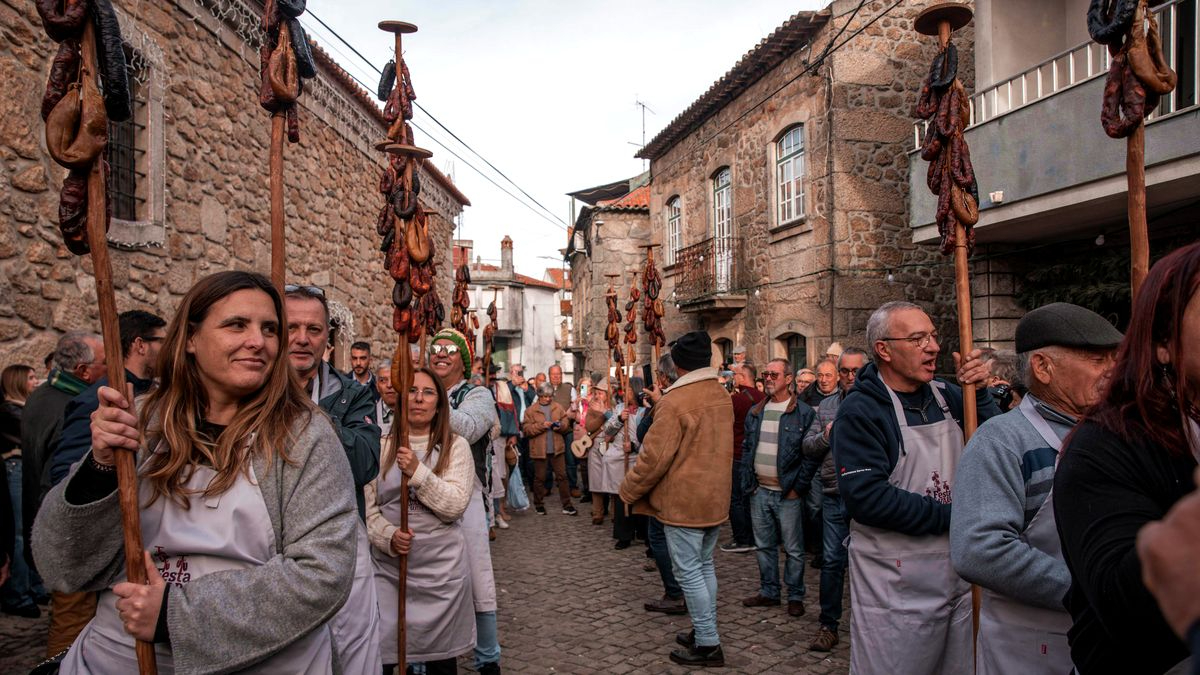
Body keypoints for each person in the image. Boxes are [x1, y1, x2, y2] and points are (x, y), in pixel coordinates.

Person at [32, 270, 357, 672]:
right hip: (121, 657)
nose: (259, 341)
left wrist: (175, 614)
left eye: (269, 328)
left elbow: (322, 575)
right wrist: (100, 465)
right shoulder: (142, 423)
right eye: (237, 324)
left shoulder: (304, 436)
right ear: (189, 338)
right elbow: (63, 565)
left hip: (261, 661)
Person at [950, 303, 1121, 674]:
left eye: (1115, 358)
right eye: (1097, 359)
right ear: (1043, 367)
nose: (1112, 370)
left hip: (1107, 640)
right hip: (1031, 645)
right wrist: (1090, 591)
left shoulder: (1118, 434)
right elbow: (979, 550)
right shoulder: (1001, 441)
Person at [1053, 243, 1200, 675]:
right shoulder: (1105, 446)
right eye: (1091, 359)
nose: (1102, 367)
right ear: (1162, 345)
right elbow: (1128, 612)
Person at [832, 300, 1000, 675]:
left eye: (933, 336)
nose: (934, 346)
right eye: (918, 338)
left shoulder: (949, 397)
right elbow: (867, 498)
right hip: (895, 585)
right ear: (884, 350)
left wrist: (981, 395)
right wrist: (957, 517)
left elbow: (996, 446)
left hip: (958, 578)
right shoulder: (861, 411)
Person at [620, 331, 733, 667]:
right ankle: (703, 631)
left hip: (684, 500)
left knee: (689, 574)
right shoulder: (719, 393)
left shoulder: (676, 401)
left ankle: (708, 642)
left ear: (679, 364)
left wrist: (628, 490)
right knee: (704, 567)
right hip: (712, 497)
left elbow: (654, 458)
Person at [285, 284, 382, 674]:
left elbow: (364, 463)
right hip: (274, 542)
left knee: (353, 651)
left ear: (328, 337)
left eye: (314, 329)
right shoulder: (249, 391)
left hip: (342, 537)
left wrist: (309, 415)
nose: (302, 339)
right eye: (291, 327)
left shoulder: (352, 395)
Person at [367, 367, 476, 675]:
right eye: (412, 391)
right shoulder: (381, 444)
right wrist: (387, 536)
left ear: (440, 404)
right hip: (390, 571)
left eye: (428, 392)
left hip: (440, 573)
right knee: (387, 654)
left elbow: (454, 505)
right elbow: (366, 508)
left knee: (441, 661)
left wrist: (417, 472)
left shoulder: (456, 447)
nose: (419, 398)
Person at [21, 330, 105, 654]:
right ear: (84, 372)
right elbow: (58, 477)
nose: (109, 368)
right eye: (104, 362)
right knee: (72, 620)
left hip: (48, 521)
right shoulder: (75, 407)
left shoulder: (41, 396)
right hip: (69, 532)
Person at [428, 328, 503, 675]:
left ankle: (487, 657)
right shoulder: (420, 390)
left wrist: (428, 402)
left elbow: (471, 428)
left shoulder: (478, 395)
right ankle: (424, 654)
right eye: (436, 349)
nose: (441, 354)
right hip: (423, 491)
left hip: (468, 494)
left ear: (463, 359)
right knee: (425, 576)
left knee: (476, 575)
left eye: (449, 350)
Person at [48, 310, 167, 489]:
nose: (169, 349)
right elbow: (65, 477)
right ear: (140, 345)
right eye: (162, 342)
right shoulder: (96, 400)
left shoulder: (155, 391)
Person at [801, 346, 868, 652]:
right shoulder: (827, 406)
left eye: (856, 371)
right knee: (831, 561)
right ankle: (829, 625)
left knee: (870, 564)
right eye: (845, 371)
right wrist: (826, 436)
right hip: (834, 492)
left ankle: (870, 625)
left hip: (870, 495)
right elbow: (809, 446)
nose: (850, 376)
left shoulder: (878, 403)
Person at [739, 358, 816, 618]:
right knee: (764, 546)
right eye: (766, 373)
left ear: (789, 378)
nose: (769, 378)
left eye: (774, 374)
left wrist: (798, 488)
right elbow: (748, 448)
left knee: (794, 549)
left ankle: (795, 595)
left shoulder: (803, 413)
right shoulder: (756, 411)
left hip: (787, 494)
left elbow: (810, 457)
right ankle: (769, 591)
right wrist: (748, 483)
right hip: (759, 491)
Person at [637, 355, 688, 617]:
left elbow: (643, 434)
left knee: (660, 537)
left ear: (664, 378)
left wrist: (656, 405)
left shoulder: (670, 402)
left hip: (670, 480)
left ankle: (675, 592)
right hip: (686, 479)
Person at [1, 364, 43, 618]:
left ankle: (34, 586)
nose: (36, 382)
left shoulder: (24, 408)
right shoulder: (8, 411)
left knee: (30, 529)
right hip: (14, 469)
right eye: (30, 378)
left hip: (25, 469)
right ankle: (17, 594)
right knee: (17, 533)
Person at [721, 362, 765, 554]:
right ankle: (755, 536)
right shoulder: (763, 397)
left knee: (736, 499)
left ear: (743, 377)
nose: (733, 377)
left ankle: (742, 538)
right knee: (750, 497)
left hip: (738, 453)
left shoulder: (736, 400)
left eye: (735, 374)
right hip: (757, 454)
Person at [521, 383, 574, 515]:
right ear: (539, 395)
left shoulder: (558, 407)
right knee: (539, 479)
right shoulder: (530, 411)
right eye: (545, 396)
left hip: (557, 449)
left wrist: (560, 426)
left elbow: (566, 423)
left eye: (550, 396)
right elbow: (526, 430)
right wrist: (542, 426)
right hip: (539, 450)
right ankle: (538, 504)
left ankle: (567, 505)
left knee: (562, 477)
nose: (547, 399)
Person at [584, 380, 628, 529]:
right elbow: (589, 427)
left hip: (612, 445)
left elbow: (620, 425)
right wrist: (602, 415)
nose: (597, 395)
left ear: (608, 395)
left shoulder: (617, 408)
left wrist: (606, 412)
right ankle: (597, 512)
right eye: (596, 393)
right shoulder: (592, 408)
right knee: (596, 480)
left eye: (600, 393)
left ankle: (615, 513)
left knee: (613, 479)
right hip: (597, 445)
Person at [548, 365, 580, 498]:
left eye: (558, 374)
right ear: (549, 375)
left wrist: (568, 415)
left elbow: (575, 407)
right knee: (549, 459)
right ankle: (547, 487)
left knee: (570, 459)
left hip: (567, 430)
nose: (556, 377)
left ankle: (573, 486)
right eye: (553, 374)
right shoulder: (544, 389)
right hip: (549, 431)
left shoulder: (569, 389)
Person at [375, 360, 397, 438]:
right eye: (383, 380)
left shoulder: (412, 412)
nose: (389, 385)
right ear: (377, 386)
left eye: (394, 379)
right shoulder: (369, 415)